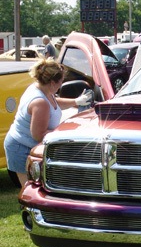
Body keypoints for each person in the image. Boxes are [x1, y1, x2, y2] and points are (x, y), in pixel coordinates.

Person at [3, 58, 92, 187]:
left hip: (28, 145)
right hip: (20, 148)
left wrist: (76, 101)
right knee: (30, 190)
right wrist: (65, 132)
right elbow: (38, 135)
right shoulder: (39, 102)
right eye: (60, 82)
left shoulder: (41, 89)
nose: (61, 85)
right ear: (52, 82)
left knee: (43, 187)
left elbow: (54, 103)